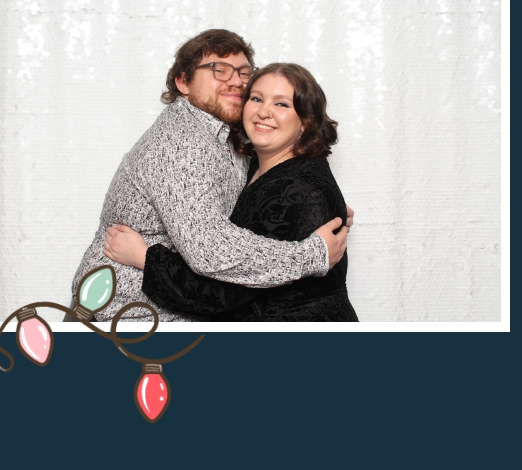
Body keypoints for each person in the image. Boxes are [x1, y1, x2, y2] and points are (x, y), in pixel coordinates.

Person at [70, 31, 349, 322]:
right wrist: (311, 255)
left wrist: (316, 209)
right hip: (130, 315)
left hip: (182, 304)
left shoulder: (229, 138)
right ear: (183, 82)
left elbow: (269, 187)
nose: (236, 81)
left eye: (243, 72)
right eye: (219, 69)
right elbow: (211, 251)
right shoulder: (181, 144)